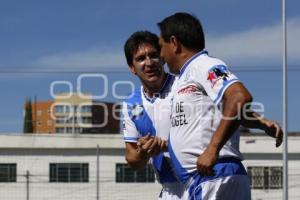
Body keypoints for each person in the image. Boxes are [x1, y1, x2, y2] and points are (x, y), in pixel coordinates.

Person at [157, 12, 283, 200]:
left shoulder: (203, 65)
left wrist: (212, 149)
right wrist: (260, 123)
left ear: (174, 43)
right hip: (208, 178)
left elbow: (239, 97)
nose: (160, 56)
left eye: (161, 47)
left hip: (212, 177)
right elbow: (227, 107)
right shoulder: (186, 76)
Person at [122, 31, 184, 199]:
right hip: (169, 190)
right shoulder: (130, 103)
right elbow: (132, 159)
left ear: (163, 58)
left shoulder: (184, 87)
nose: (149, 63)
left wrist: (167, 146)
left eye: (154, 55)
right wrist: (144, 152)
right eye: (141, 58)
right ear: (132, 68)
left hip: (200, 181)